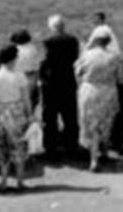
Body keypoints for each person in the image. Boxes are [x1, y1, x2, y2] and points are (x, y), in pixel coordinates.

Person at [75, 27, 123, 172]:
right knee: (106, 123)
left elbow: (78, 73)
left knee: (91, 125)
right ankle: (103, 151)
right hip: (108, 91)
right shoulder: (115, 57)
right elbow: (122, 79)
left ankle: (93, 159)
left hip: (90, 90)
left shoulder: (87, 55)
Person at [0, 44, 32, 192]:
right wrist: (30, 115)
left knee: (2, 147)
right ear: (13, 59)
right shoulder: (19, 76)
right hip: (16, 110)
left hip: (1, 111)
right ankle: (19, 181)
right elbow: (26, 98)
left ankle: (4, 181)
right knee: (18, 147)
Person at [40, 15, 80, 161]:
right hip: (68, 80)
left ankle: (51, 148)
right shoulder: (73, 40)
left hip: (52, 83)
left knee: (50, 117)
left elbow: (47, 60)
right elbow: (75, 57)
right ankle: (71, 146)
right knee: (70, 116)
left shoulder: (49, 42)